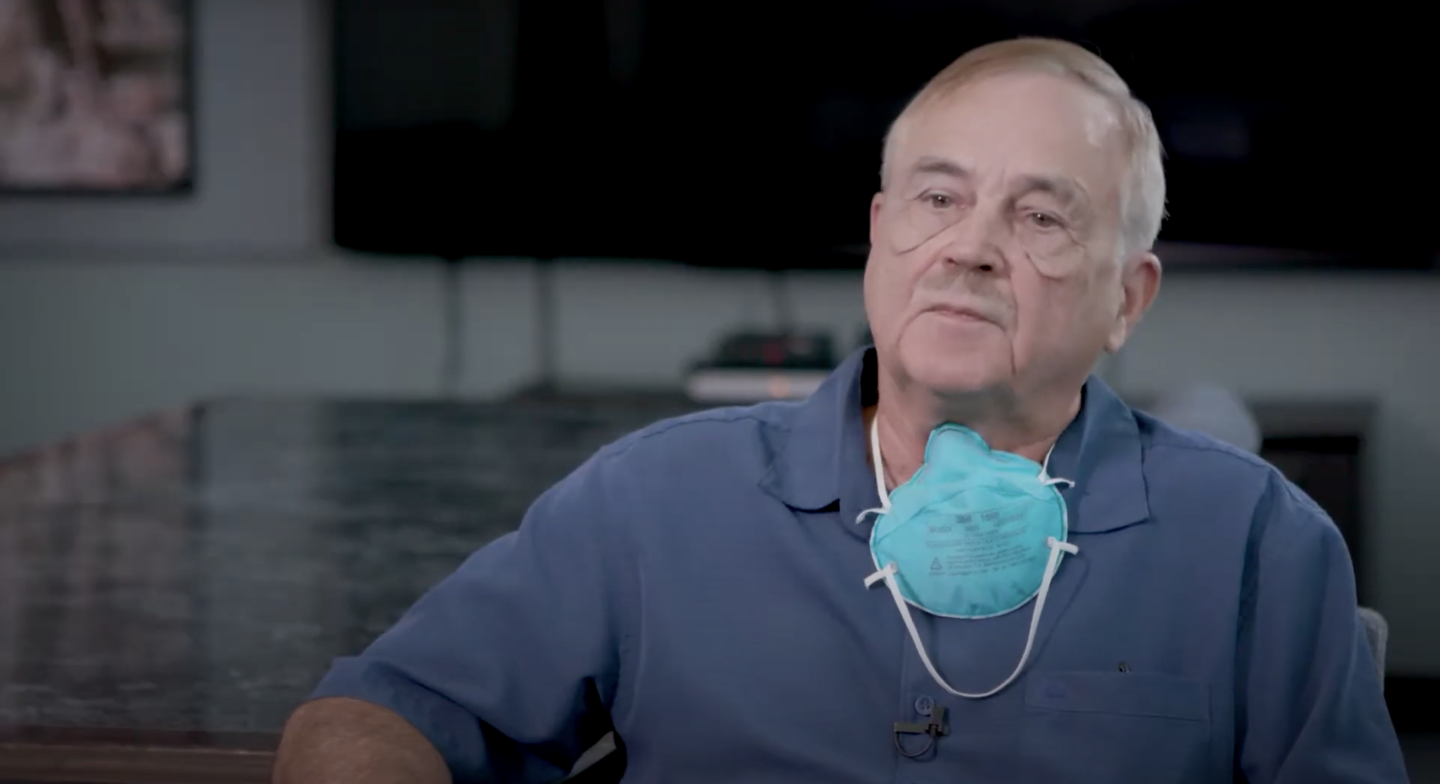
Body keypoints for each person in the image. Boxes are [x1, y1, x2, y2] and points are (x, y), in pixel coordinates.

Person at [273, 37, 1408, 783]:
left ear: (1128, 296)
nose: (968, 247)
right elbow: (380, 716)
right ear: (880, 237)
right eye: (937, 198)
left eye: (1042, 218)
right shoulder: (654, 501)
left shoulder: (1262, 547)